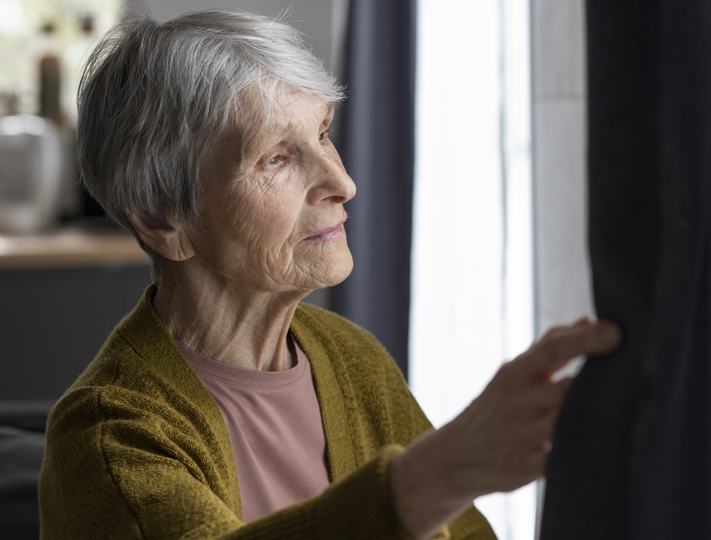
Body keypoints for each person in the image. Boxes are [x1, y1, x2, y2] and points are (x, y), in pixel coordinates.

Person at [38, 10, 621, 540]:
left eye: (321, 133)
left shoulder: (350, 358)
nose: (342, 183)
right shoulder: (106, 438)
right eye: (276, 159)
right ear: (164, 220)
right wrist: (437, 476)